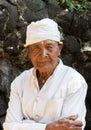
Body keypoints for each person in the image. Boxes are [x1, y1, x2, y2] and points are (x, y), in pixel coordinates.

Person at [3, 18, 87, 130]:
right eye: (36, 48)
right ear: (28, 52)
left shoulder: (74, 81)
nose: (43, 54)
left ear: (59, 48)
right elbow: (9, 126)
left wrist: (25, 124)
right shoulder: (20, 82)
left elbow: (69, 128)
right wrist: (48, 127)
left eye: (49, 47)